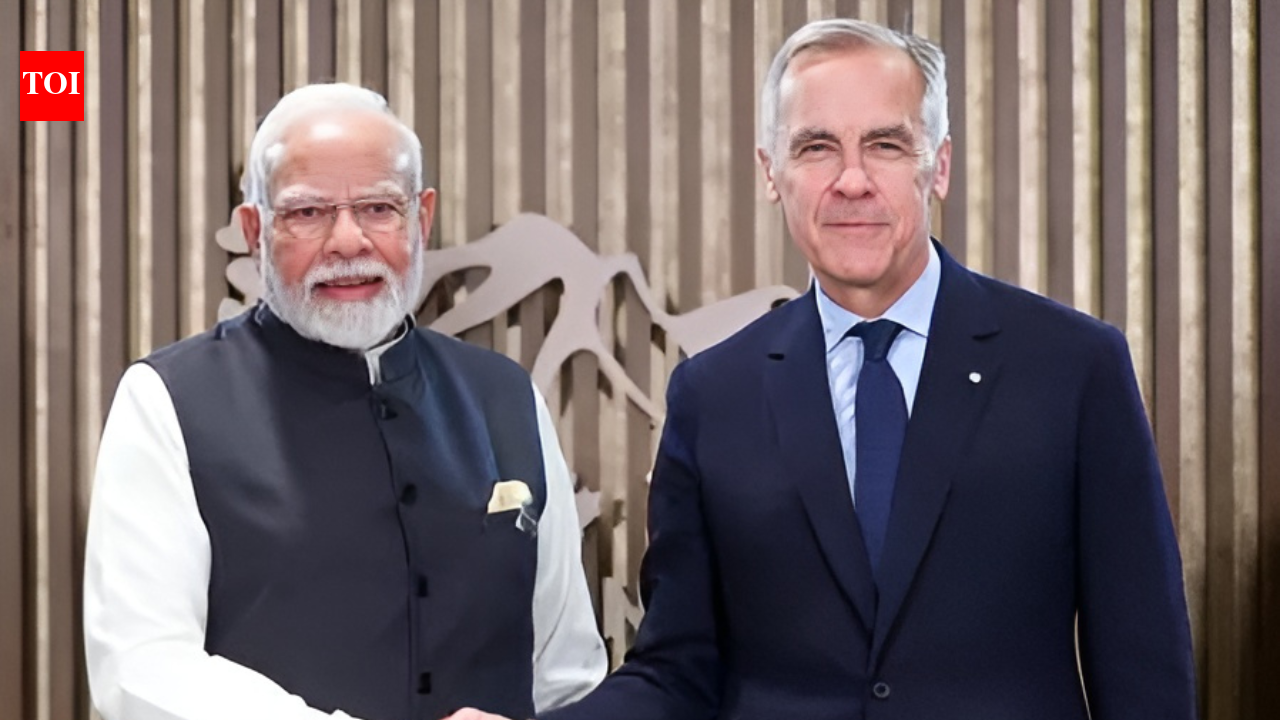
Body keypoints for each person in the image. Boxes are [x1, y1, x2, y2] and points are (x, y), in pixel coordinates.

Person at [449, 17, 1197, 720]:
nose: (851, 180)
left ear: (938, 166)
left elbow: (1144, 667)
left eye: (886, 144)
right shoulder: (713, 396)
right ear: (771, 172)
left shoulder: (1073, 368)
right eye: (816, 148)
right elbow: (677, 670)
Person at [83, 83, 606, 720]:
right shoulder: (165, 401)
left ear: (422, 219)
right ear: (254, 231)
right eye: (308, 213)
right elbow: (143, 666)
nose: (349, 242)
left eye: (380, 208)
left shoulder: (506, 395)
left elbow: (566, 674)